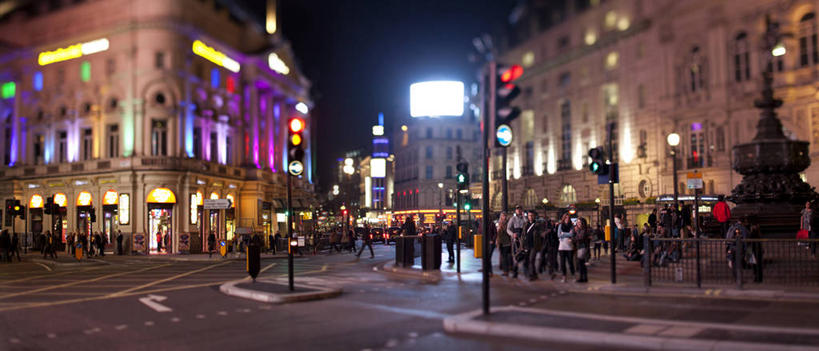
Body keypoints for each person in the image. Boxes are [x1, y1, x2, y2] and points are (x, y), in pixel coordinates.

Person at [522, 211, 541, 281]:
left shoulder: (537, 224)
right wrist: (522, 245)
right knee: (526, 260)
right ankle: (534, 274)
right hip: (527, 245)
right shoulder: (525, 224)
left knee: (531, 260)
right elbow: (523, 235)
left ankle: (531, 275)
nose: (530, 217)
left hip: (534, 245)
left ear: (534, 216)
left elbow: (540, 234)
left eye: (532, 215)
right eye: (529, 215)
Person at [557, 214, 575, 282]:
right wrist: (567, 234)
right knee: (562, 263)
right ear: (563, 218)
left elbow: (572, 234)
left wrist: (563, 234)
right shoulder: (560, 226)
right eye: (566, 218)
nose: (567, 219)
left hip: (569, 246)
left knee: (570, 262)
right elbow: (558, 235)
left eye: (568, 218)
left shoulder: (571, 226)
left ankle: (573, 275)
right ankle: (564, 276)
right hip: (562, 246)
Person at [574, 218, 590, 283]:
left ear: (583, 223)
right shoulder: (580, 230)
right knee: (582, 264)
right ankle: (584, 277)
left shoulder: (583, 230)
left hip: (582, 247)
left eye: (579, 222)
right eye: (577, 222)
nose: (578, 224)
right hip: (580, 247)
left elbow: (580, 238)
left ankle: (582, 278)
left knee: (581, 263)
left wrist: (573, 238)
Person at [497, 212, 512, 276]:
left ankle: (506, 270)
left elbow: (508, 231)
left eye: (505, 216)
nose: (504, 217)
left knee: (505, 256)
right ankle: (506, 269)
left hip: (507, 242)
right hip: (501, 242)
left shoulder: (508, 223)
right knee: (504, 256)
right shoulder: (499, 224)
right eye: (503, 216)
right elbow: (498, 234)